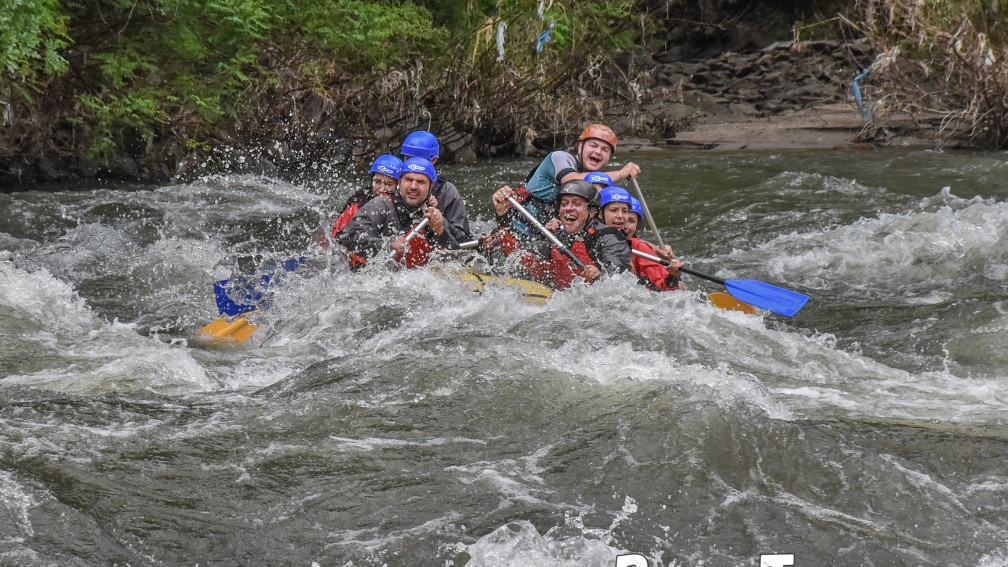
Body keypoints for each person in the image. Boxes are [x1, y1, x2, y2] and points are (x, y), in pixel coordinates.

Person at [503, 124, 642, 238]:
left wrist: (651, 249)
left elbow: (610, 223)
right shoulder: (559, 158)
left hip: (552, 239)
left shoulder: (599, 185)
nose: (598, 152)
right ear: (580, 147)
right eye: (593, 145)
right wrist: (620, 173)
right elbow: (572, 181)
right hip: (517, 234)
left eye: (605, 149)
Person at [489, 179, 632, 289]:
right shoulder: (556, 236)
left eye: (576, 204)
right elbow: (516, 255)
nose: (568, 208)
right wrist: (503, 214)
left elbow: (618, 280)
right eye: (564, 204)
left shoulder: (608, 238)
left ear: (592, 212)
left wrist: (600, 275)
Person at [337, 157, 459, 269]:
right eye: (408, 180)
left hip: (415, 279)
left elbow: (457, 253)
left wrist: (440, 232)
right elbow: (349, 236)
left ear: (431, 187)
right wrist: (387, 245)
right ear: (400, 182)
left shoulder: (431, 214)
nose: (413, 186)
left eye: (421, 182)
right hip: (369, 276)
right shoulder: (381, 204)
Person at [400, 130, 473, 243]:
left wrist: (439, 221)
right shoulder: (391, 183)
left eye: (420, 161)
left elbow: (465, 241)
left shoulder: (447, 192)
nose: (413, 166)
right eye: (408, 159)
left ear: (434, 160)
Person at [329, 154, 403, 238]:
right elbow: (339, 238)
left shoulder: (404, 206)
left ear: (399, 186)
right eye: (378, 182)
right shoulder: (357, 203)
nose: (381, 189)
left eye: (388, 184)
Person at [624, 195, 685, 291]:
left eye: (631, 221)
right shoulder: (595, 238)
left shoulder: (639, 247)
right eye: (621, 219)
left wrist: (672, 276)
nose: (625, 226)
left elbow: (662, 284)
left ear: (637, 225)